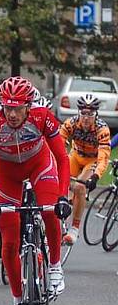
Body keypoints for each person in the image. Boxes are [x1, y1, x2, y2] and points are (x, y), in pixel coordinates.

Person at [0, 76, 70, 305]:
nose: (13, 114)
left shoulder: (42, 116)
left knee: (51, 212)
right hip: (6, 173)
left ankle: (54, 265)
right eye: (8, 107)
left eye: (18, 108)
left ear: (29, 106)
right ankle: (18, 301)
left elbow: (62, 159)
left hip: (39, 164)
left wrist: (63, 196)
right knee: (8, 243)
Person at [60, 93, 110, 245]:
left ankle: (74, 229)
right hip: (76, 155)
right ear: (78, 113)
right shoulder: (71, 123)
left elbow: (104, 156)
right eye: (83, 113)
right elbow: (58, 142)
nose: (86, 118)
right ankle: (60, 217)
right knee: (61, 182)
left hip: (91, 160)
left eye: (91, 114)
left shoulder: (102, 129)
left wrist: (95, 176)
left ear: (96, 115)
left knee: (80, 186)